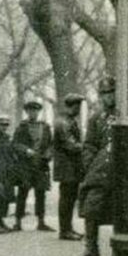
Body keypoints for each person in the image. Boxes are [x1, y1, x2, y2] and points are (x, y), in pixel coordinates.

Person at [76, 77, 116, 256]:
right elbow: (90, 144)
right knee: (91, 206)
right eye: (105, 94)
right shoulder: (96, 118)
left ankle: (120, 250)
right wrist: (90, 164)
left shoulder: (127, 114)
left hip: (122, 168)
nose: (109, 97)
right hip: (100, 170)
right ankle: (91, 248)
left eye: (111, 92)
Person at [12, 100, 54, 232]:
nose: (33, 113)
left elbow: (51, 144)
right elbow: (15, 144)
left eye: (35, 111)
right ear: (27, 112)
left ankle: (41, 222)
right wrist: (26, 150)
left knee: (41, 194)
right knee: (22, 193)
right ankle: (18, 222)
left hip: (41, 165)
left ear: (38, 112)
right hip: (25, 165)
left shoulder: (46, 127)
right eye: (30, 111)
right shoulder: (22, 127)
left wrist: (48, 153)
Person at [54, 94, 85, 241]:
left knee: (70, 198)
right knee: (66, 199)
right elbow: (70, 145)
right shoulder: (63, 123)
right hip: (67, 166)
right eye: (76, 106)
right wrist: (86, 146)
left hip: (71, 166)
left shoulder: (69, 120)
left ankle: (67, 228)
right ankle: (65, 230)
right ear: (70, 106)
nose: (78, 109)